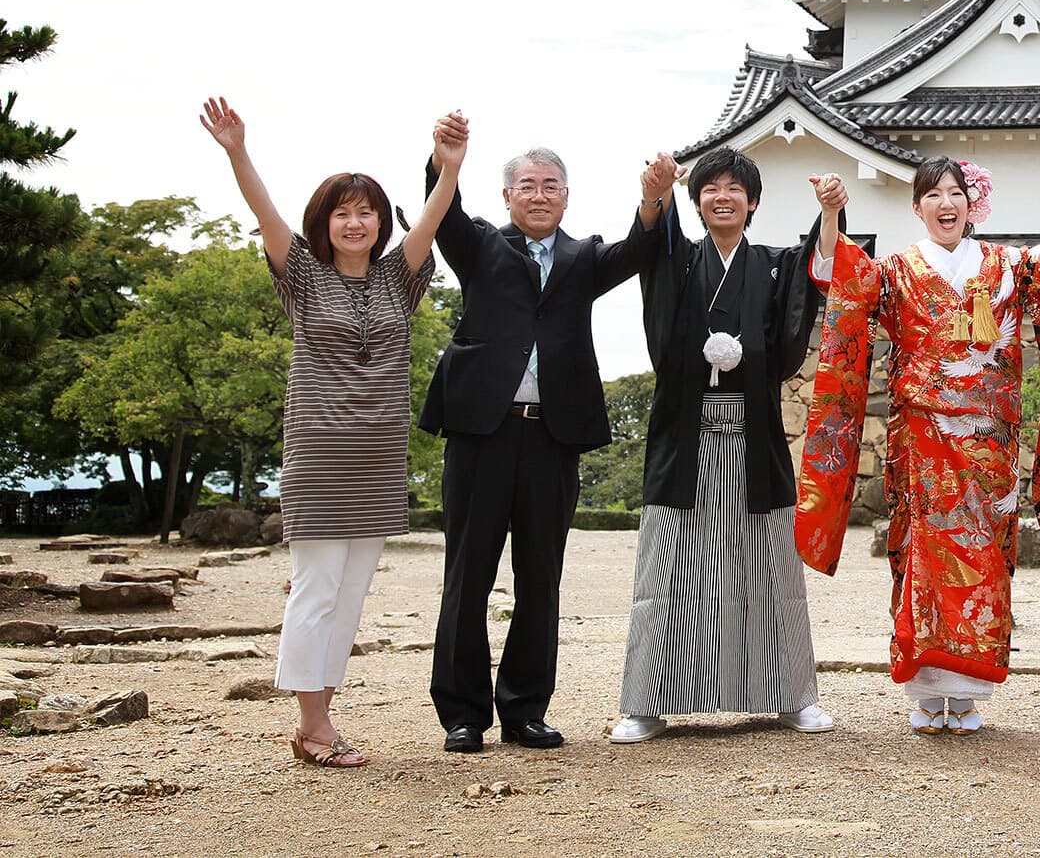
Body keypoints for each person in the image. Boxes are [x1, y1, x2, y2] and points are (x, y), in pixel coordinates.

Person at [795, 144, 1040, 735]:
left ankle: (969, 691)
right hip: (921, 437)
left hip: (989, 439)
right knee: (921, 550)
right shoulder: (896, 270)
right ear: (917, 207)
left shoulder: (1006, 263)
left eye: (956, 193)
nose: (946, 203)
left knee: (985, 557)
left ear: (972, 203)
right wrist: (831, 216)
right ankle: (926, 689)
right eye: (933, 195)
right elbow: (840, 277)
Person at [200, 96, 462, 768]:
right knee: (316, 587)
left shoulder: (399, 279)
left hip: (377, 459)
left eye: (366, 210)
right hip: (318, 454)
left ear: (379, 222)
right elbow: (265, 213)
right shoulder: (304, 276)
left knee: (350, 593)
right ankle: (313, 725)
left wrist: (450, 169)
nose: (355, 220)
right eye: (342, 211)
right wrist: (237, 151)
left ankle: (321, 714)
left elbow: (430, 220)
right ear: (326, 222)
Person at [420, 133, 674, 754]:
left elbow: (640, 249)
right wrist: (443, 165)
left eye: (550, 186)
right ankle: (462, 713)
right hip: (482, 431)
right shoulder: (479, 245)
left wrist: (653, 199)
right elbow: (442, 213)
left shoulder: (584, 256)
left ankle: (525, 709)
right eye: (527, 186)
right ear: (507, 195)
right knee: (468, 575)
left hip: (551, 436)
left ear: (566, 196)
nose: (539, 195)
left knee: (541, 578)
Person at [612, 147, 834, 741]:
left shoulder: (770, 264)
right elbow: (652, 248)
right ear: (698, 199)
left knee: (768, 565)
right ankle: (648, 701)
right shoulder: (680, 259)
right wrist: (655, 194)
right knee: (670, 567)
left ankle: (789, 695)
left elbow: (815, 270)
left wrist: (831, 214)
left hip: (751, 435)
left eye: (736, 188)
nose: (723, 196)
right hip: (686, 437)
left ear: (753, 201)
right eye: (711, 187)